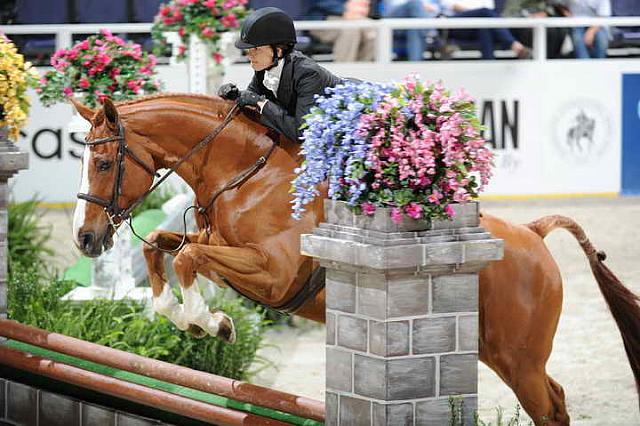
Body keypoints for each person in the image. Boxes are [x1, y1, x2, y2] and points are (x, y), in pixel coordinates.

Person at [218, 7, 343, 143]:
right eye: (249, 50)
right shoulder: (264, 66)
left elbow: (301, 132)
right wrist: (235, 95)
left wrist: (260, 102)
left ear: (278, 51)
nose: (250, 55)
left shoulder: (308, 74)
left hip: (350, 120)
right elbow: (251, 97)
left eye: (256, 49)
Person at [440, 0, 531, 59]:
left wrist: (479, 15)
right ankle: (513, 44)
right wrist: (476, 13)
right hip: (454, 24)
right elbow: (449, 4)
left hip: (479, 24)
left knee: (485, 27)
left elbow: (491, 10)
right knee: (484, 13)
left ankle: (489, 64)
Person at [307, 0, 378, 62]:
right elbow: (319, 2)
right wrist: (345, 8)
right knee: (351, 30)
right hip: (326, 17)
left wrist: (363, 8)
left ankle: (363, 70)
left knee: (375, 30)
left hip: (359, 14)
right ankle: (343, 73)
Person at [501, 0, 571, 59]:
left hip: (540, 23)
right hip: (517, 23)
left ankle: (549, 62)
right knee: (549, 33)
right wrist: (529, 16)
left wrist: (546, 13)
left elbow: (553, 6)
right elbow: (511, 13)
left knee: (560, 30)